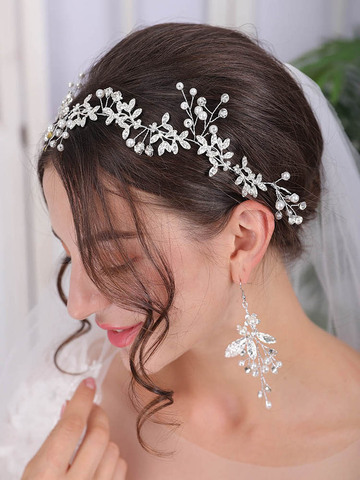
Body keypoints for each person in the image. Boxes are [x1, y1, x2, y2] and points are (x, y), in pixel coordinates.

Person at [1, 22, 359, 480]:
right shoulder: (58, 397)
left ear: (244, 239)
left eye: (114, 259)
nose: (76, 306)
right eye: (70, 255)